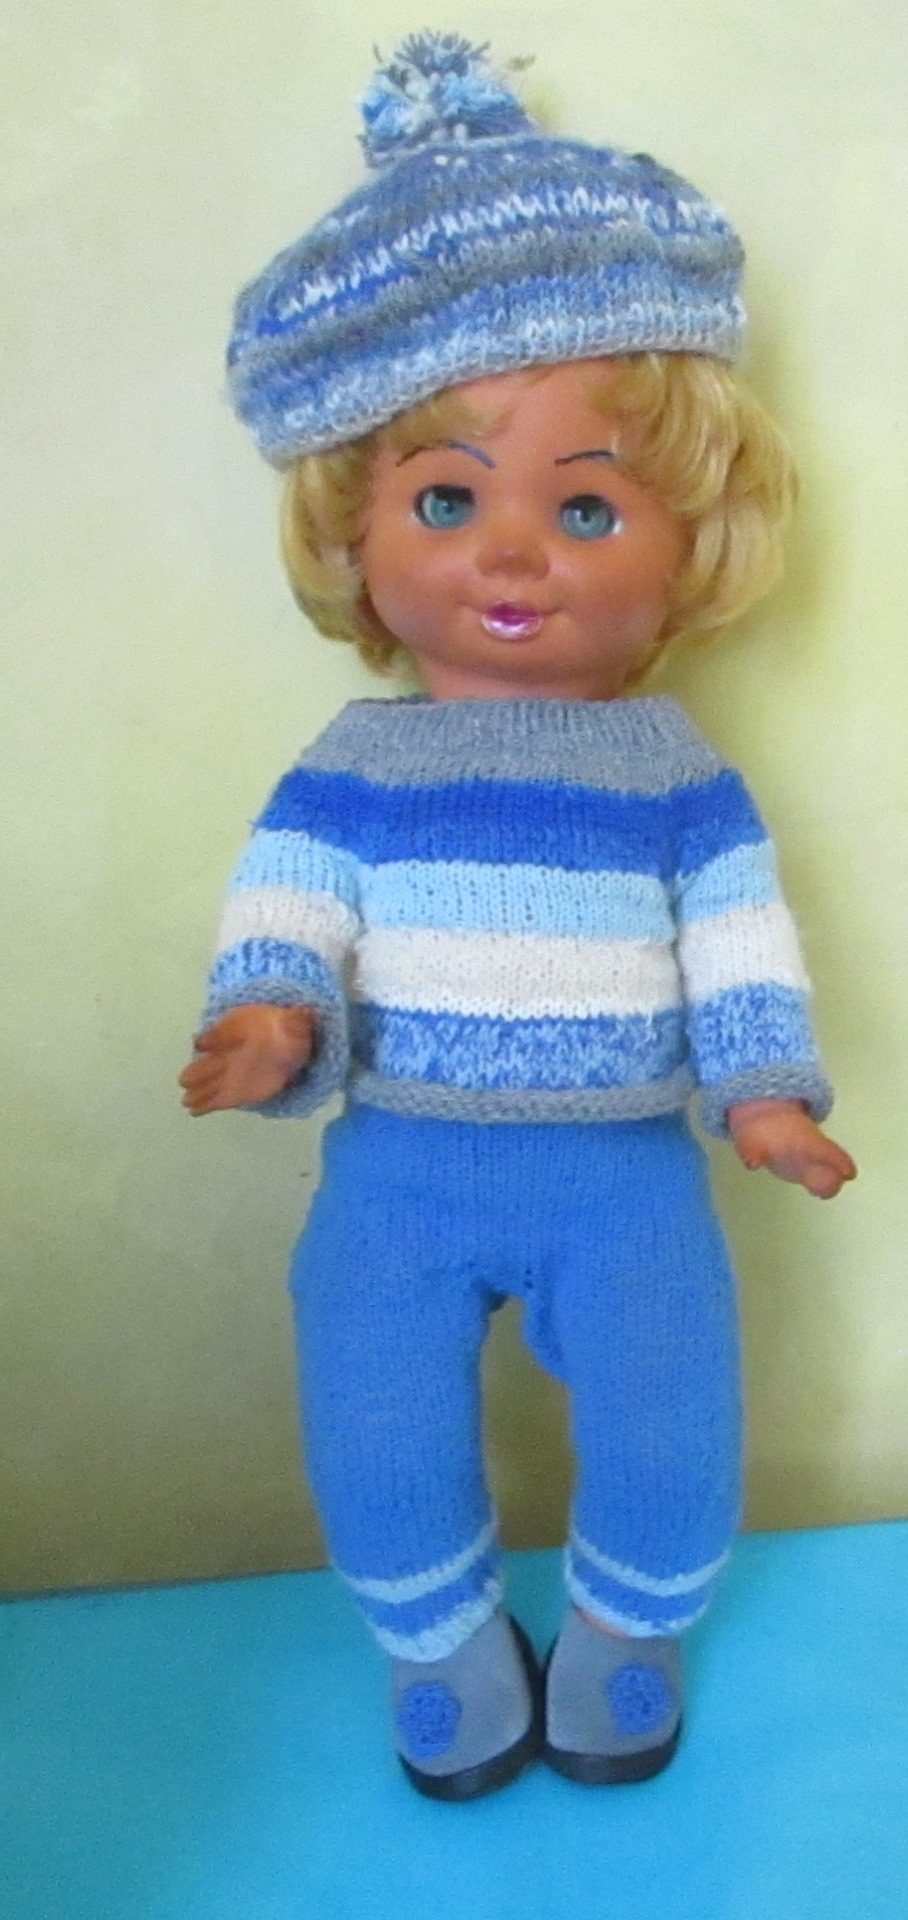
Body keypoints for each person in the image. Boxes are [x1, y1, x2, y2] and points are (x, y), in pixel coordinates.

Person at [180, 32, 856, 1800]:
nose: (510, 549)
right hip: (395, 1170)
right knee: (374, 1417)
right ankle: (442, 1649)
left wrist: (764, 1090)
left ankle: (631, 1632)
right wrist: (269, 1015)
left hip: (626, 1171)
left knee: (670, 1415)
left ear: (689, 539)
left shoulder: (671, 768)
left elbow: (736, 937)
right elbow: (289, 899)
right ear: (354, 534)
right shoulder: (353, 762)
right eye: (444, 496)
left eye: (585, 502)